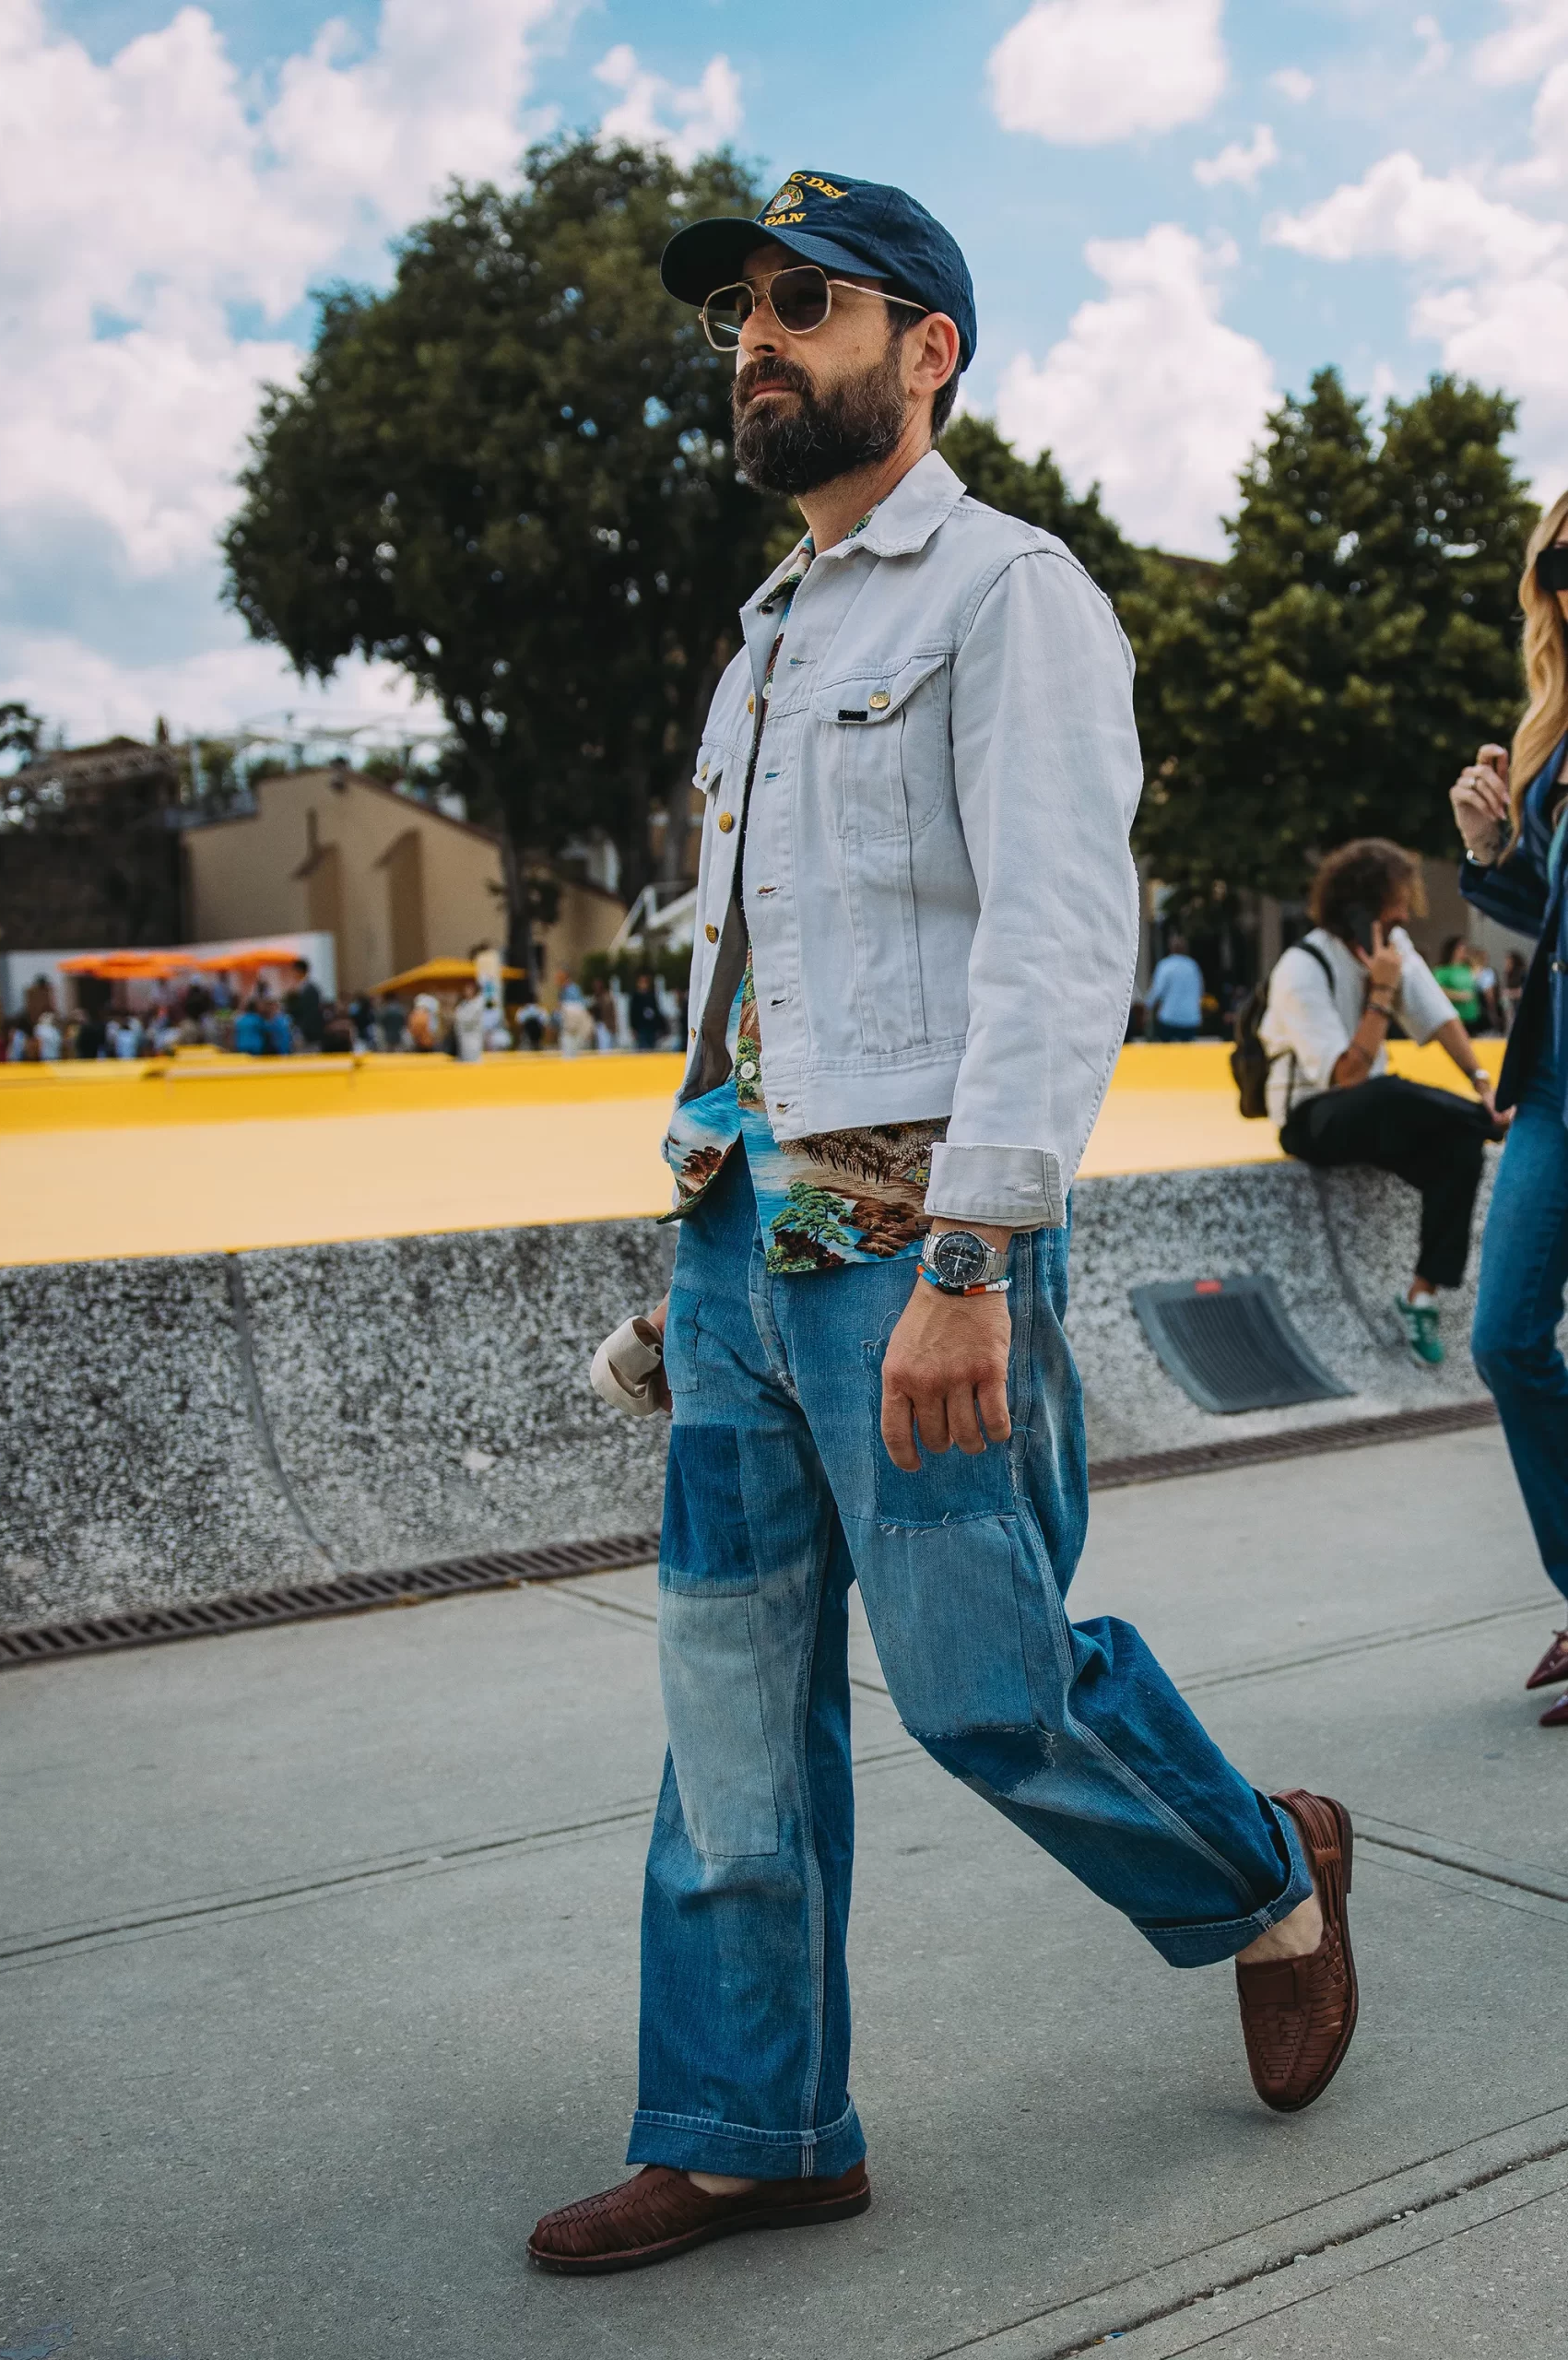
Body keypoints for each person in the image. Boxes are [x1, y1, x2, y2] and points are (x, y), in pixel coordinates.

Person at [528, 167, 1358, 2282]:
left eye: (806, 303)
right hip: (753, 1231)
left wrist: (972, 1258)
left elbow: (1063, 945)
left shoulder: (1013, 596)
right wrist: (698, 1236)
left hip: (920, 1231)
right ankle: (749, 2123)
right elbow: (762, 973)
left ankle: (1264, 1863)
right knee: (729, 1701)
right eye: (740, 314)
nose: (756, 343)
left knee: (985, 1683)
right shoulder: (774, 636)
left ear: (927, 349)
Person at [1450, 489, 1568, 1726]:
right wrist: (1492, 855)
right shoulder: (1552, 741)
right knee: (1506, 1339)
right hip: (1550, 1085)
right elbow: (1549, 920)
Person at [1259, 839, 1503, 1365]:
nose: (1403, 916)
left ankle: (1421, 1294)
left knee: (1461, 1146)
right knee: (1384, 1087)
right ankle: (1494, 1124)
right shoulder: (1301, 967)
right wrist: (1381, 994)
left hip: (1372, 1112)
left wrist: (1484, 1084)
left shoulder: (1395, 949)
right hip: (1312, 1117)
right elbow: (1347, 1077)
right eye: (1395, 904)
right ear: (1360, 907)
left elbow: (1441, 1021)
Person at [1143, 932, 1206, 1042]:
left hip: (1169, 1016)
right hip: (1190, 1017)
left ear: (1171, 948)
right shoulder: (1193, 966)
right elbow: (1200, 990)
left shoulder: (1165, 965)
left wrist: (1147, 1007)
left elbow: (1157, 990)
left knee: (1167, 1055)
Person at [1432, 934, 1482, 1032]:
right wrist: (1459, 995)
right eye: (1460, 948)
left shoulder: (1467, 969)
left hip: (1471, 1016)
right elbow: (1437, 991)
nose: (1464, 951)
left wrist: (1470, 956)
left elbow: (1478, 969)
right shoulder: (1442, 971)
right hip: (1454, 1017)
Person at [284, 958, 325, 1048]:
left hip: (309, 1034)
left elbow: (310, 1013)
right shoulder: (298, 989)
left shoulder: (310, 989)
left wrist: (303, 1032)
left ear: (299, 971)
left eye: (293, 971)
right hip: (301, 1032)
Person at [451, 985, 486, 1062]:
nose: (466, 991)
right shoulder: (464, 1003)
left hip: (472, 1038)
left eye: (469, 989)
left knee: (472, 1060)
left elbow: (467, 1019)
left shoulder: (478, 1003)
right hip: (462, 1038)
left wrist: (457, 1017)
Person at [1502, 949, 1527, 1034]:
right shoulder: (1509, 975)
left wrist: (1509, 993)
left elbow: (1523, 991)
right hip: (1511, 1008)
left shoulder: (1522, 974)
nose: (1506, 965)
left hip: (1518, 1007)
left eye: (1509, 962)